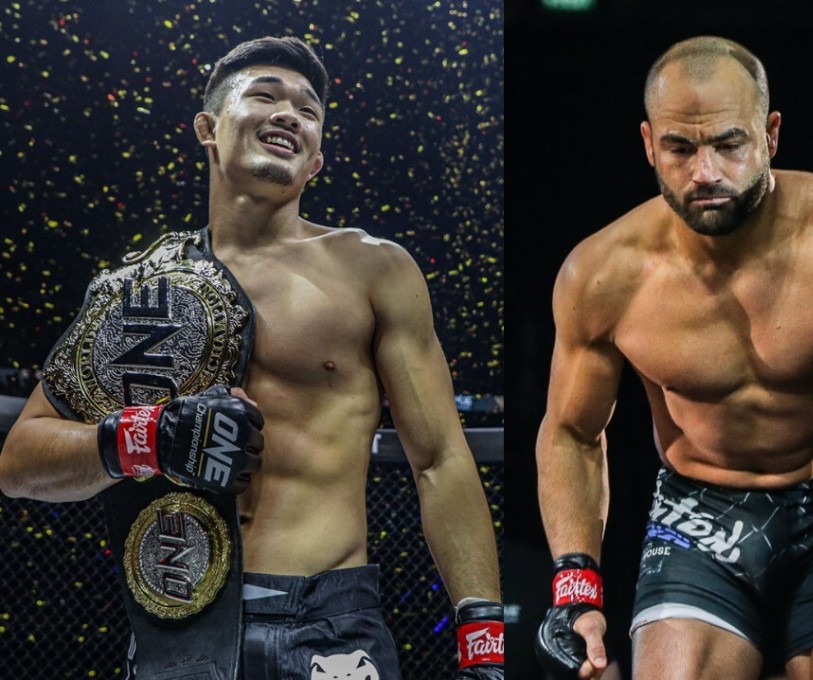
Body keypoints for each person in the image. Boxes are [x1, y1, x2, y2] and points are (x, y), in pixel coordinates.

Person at [0, 36, 503, 679]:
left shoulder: (373, 269)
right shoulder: (140, 288)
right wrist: (148, 437)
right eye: (265, 94)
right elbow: (19, 462)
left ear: (317, 159)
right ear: (208, 128)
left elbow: (440, 459)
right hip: (177, 625)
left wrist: (483, 641)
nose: (290, 113)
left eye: (309, 110)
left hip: (329, 623)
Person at [534, 36, 813, 680]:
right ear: (648, 144)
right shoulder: (602, 274)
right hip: (698, 520)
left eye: (728, 143)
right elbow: (571, 432)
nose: (705, 172)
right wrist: (574, 586)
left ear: (770, 134)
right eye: (681, 148)